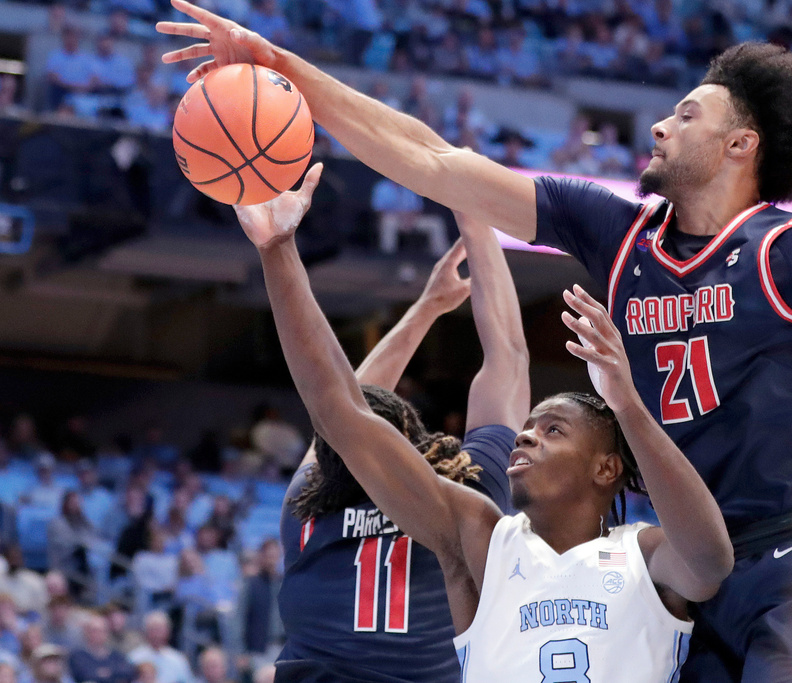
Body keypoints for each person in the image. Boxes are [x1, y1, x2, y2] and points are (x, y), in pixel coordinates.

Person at [156, 13, 792, 679]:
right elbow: (432, 159)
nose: (659, 126)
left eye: (687, 115)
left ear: (740, 145)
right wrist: (284, 68)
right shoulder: (620, 236)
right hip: (688, 574)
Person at [231, 163, 731, 681]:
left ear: (606, 468)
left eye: (552, 429)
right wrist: (278, 252)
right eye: (530, 425)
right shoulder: (480, 531)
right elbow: (340, 409)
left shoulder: (640, 552)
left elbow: (711, 561)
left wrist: (626, 403)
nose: (526, 434)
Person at [264, 204, 528, 679]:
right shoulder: (469, 500)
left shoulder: (305, 511)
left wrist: (425, 309)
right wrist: (475, 214)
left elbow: (339, 410)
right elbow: (507, 355)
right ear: (411, 439)